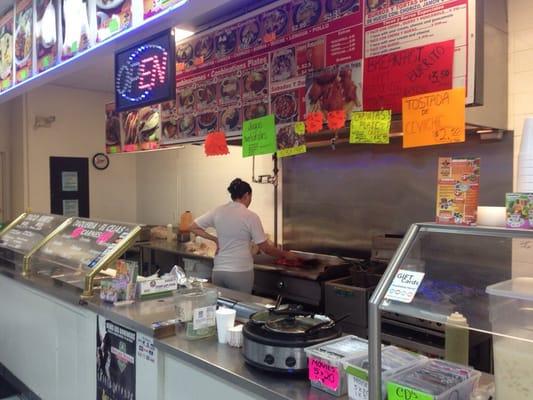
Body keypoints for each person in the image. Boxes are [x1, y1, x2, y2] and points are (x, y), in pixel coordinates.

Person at [189, 178, 298, 293]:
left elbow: (192, 227)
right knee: (241, 307)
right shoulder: (250, 216)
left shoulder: (218, 211)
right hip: (240, 272)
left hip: (219, 271)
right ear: (246, 195)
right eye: (251, 197)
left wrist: (215, 239)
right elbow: (265, 248)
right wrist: (285, 254)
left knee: (221, 307)